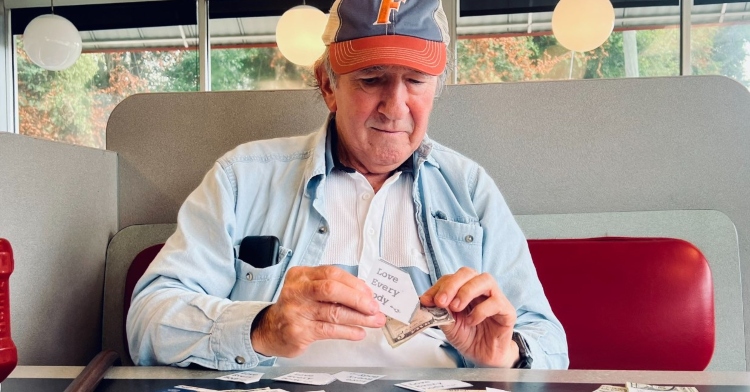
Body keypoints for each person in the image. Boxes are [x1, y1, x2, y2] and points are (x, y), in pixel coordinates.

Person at [127, 0, 569, 370]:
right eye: (372, 79)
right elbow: (148, 320)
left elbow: (550, 342)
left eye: (415, 81)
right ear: (328, 86)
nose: (395, 108)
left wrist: (507, 355)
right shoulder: (243, 176)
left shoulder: (469, 188)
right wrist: (262, 327)